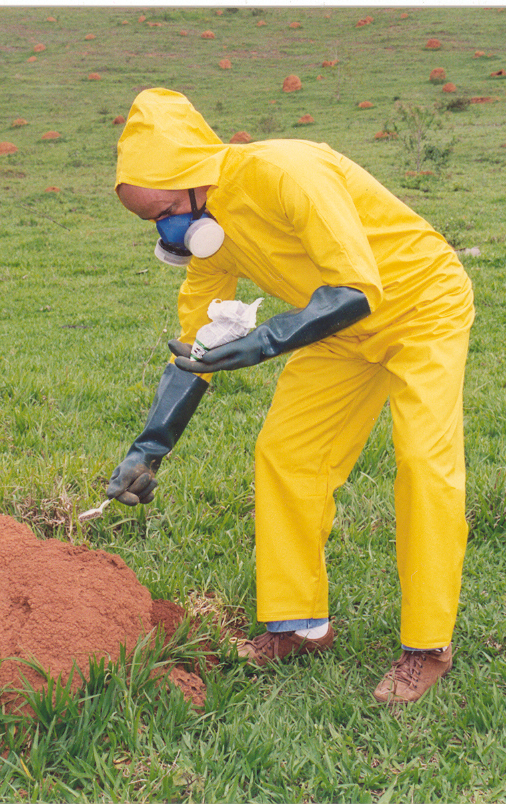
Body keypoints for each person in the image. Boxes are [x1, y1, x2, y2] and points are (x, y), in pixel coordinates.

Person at [106, 88, 474, 704]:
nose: (167, 230)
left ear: (195, 175)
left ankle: (428, 646)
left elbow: (356, 287)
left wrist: (263, 342)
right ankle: (301, 626)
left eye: (166, 209)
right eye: (150, 221)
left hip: (420, 306)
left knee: (422, 462)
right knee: (287, 454)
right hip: (339, 333)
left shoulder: (286, 172)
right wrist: (149, 449)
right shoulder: (211, 234)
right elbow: (194, 349)